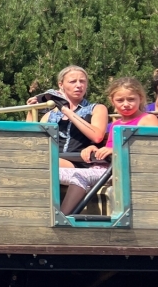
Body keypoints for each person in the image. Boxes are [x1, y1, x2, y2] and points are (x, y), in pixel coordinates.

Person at [58, 77, 158, 214]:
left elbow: (150, 152)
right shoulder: (116, 124)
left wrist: (114, 151)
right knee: (50, 173)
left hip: (120, 172)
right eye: (120, 100)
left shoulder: (148, 119)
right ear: (112, 101)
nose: (126, 104)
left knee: (80, 176)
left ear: (140, 98)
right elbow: (108, 148)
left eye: (131, 99)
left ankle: (63, 218)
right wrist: (94, 149)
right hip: (104, 169)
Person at [26, 65, 109, 168]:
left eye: (82, 81)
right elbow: (32, 140)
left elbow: (97, 137)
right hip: (54, 160)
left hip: (80, 163)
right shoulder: (50, 114)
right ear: (61, 85)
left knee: (41, 162)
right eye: (73, 81)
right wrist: (31, 111)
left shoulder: (97, 109)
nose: (79, 85)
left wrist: (67, 111)